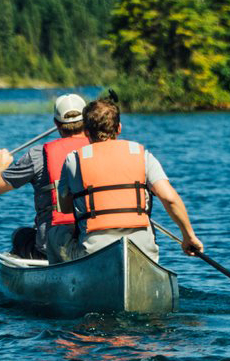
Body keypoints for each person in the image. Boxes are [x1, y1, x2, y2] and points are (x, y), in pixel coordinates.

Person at [55, 98, 203, 262]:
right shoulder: (143, 156)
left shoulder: (72, 160)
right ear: (119, 128)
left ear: (87, 132)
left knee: (56, 234)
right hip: (142, 250)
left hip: (94, 252)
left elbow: (66, 209)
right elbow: (170, 199)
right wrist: (188, 236)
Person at [0, 94, 91, 262]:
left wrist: (0, 165)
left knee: (20, 235)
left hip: (52, 247)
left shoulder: (38, 155)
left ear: (56, 124)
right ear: (87, 121)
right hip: (95, 241)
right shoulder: (102, 149)